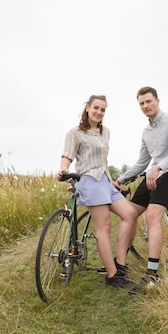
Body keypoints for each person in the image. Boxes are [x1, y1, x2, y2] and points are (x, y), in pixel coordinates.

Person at [113, 86, 168, 287]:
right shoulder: (146, 132)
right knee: (128, 213)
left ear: (158, 100)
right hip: (152, 175)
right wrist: (120, 180)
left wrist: (159, 166)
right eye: (141, 103)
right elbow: (141, 162)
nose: (145, 105)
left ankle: (152, 274)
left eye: (148, 101)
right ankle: (119, 265)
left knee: (151, 216)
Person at [58, 94, 138, 290]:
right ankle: (112, 276)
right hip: (89, 180)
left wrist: (111, 181)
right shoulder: (75, 133)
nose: (99, 112)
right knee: (104, 226)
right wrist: (63, 169)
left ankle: (120, 264)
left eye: (103, 109)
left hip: (105, 180)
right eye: (96, 107)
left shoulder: (106, 132)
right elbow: (67, 156)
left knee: (130, 214)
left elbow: (104, 160)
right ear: (87, 107)